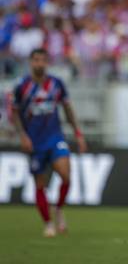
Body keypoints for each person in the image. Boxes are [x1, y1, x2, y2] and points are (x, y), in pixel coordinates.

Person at [10, 48, 87, 237]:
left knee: (66, 175)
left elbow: (67, 108)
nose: (39, 64)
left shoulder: (56, 84)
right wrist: (22, 135)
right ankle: (48, 223)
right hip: (35, 141)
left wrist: (78, 133)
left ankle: (59, 209)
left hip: (55, 138)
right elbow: (15, 113)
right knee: (39, 183)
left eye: (43, 60)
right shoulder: (22, 86)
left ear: (47, 63)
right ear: (30, 62)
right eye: (36, 60)